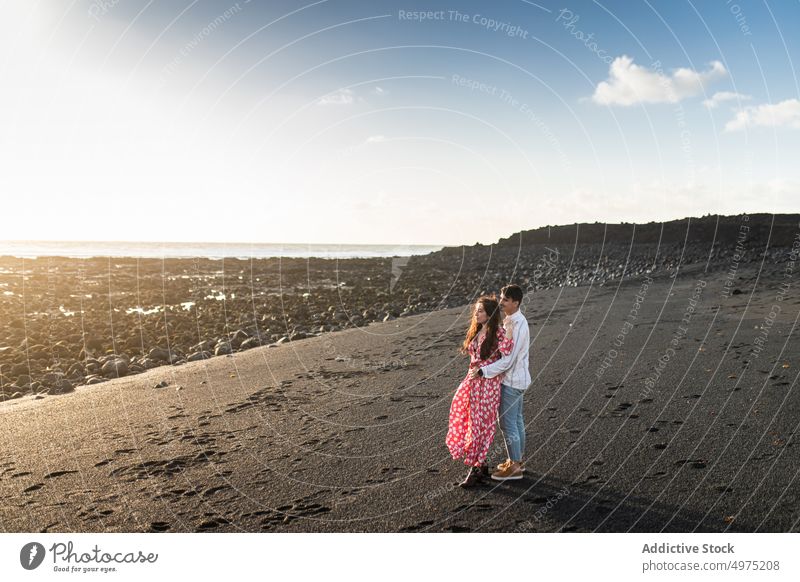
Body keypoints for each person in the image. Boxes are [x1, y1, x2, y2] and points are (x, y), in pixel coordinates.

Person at [446, 295, 514, 487]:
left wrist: (509, 331)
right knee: (466, 419)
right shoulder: (477, 331)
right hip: (472, 382)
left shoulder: (499, 332)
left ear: (490, 314)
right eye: (476, 310)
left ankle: (476, 469)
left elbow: (507, 354)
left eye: (481, 310)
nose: (476, 313)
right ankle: (481, 464)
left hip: (488, 384)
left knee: (480, 426)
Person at [470, 284, 531, 481]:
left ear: (516, 302)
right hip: (518, 379)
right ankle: (518, 462)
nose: (501, 303)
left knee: (507, 423)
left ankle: (514, 468)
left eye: (505, 300)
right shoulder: (511, 322)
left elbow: (509, 360)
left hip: (513, 380)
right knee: (517, 420)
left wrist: (483, 371)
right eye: (502, 298)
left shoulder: (518, 325)